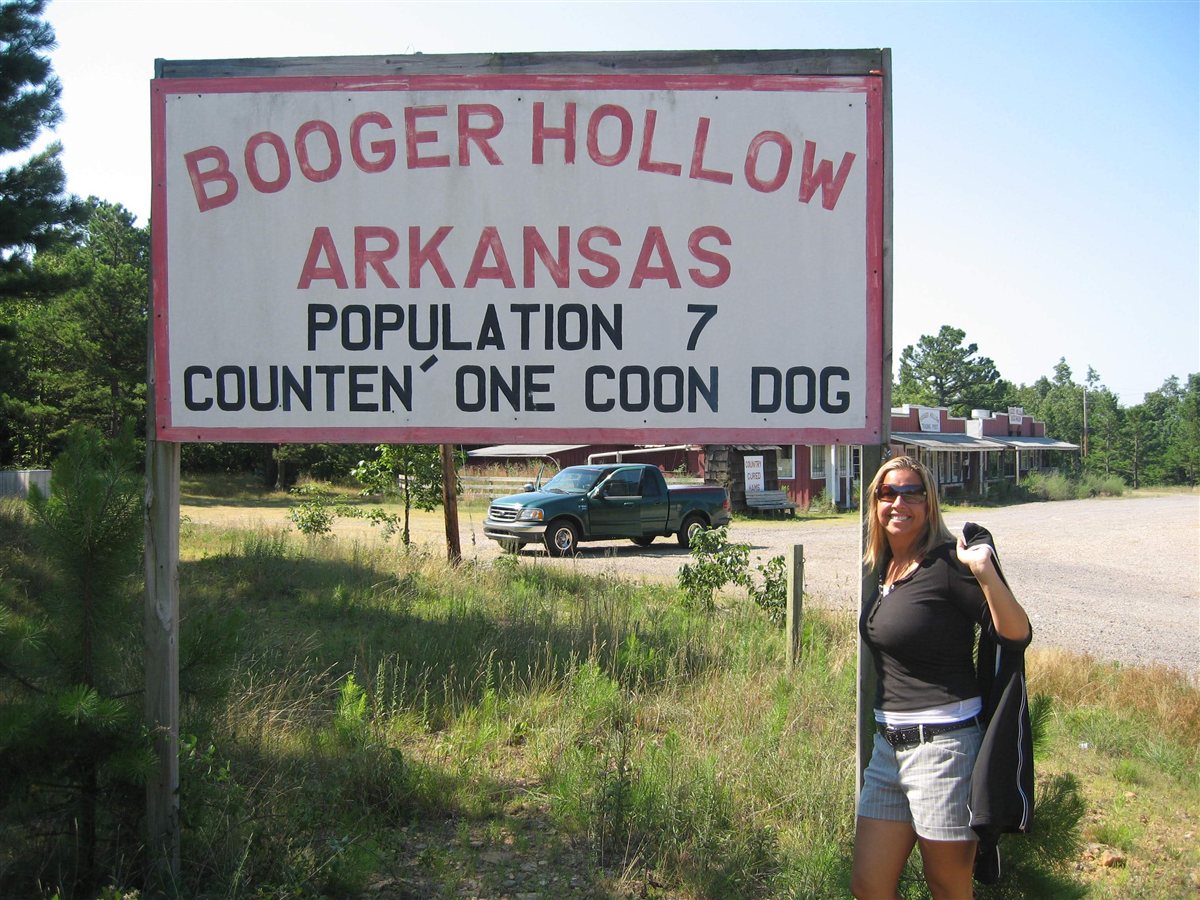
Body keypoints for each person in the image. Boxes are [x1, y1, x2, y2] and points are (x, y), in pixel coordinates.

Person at [850, 456, 1031, 899]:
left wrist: (984, 569)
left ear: (929, 504)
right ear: (875, 503)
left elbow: (1016, 632)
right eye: (888, 493)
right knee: (868, 885)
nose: (899, 502)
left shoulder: (949, 564)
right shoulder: (885, 570)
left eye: (912, 493)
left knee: (947, 887)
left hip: (944, 750)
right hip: (886, 751)